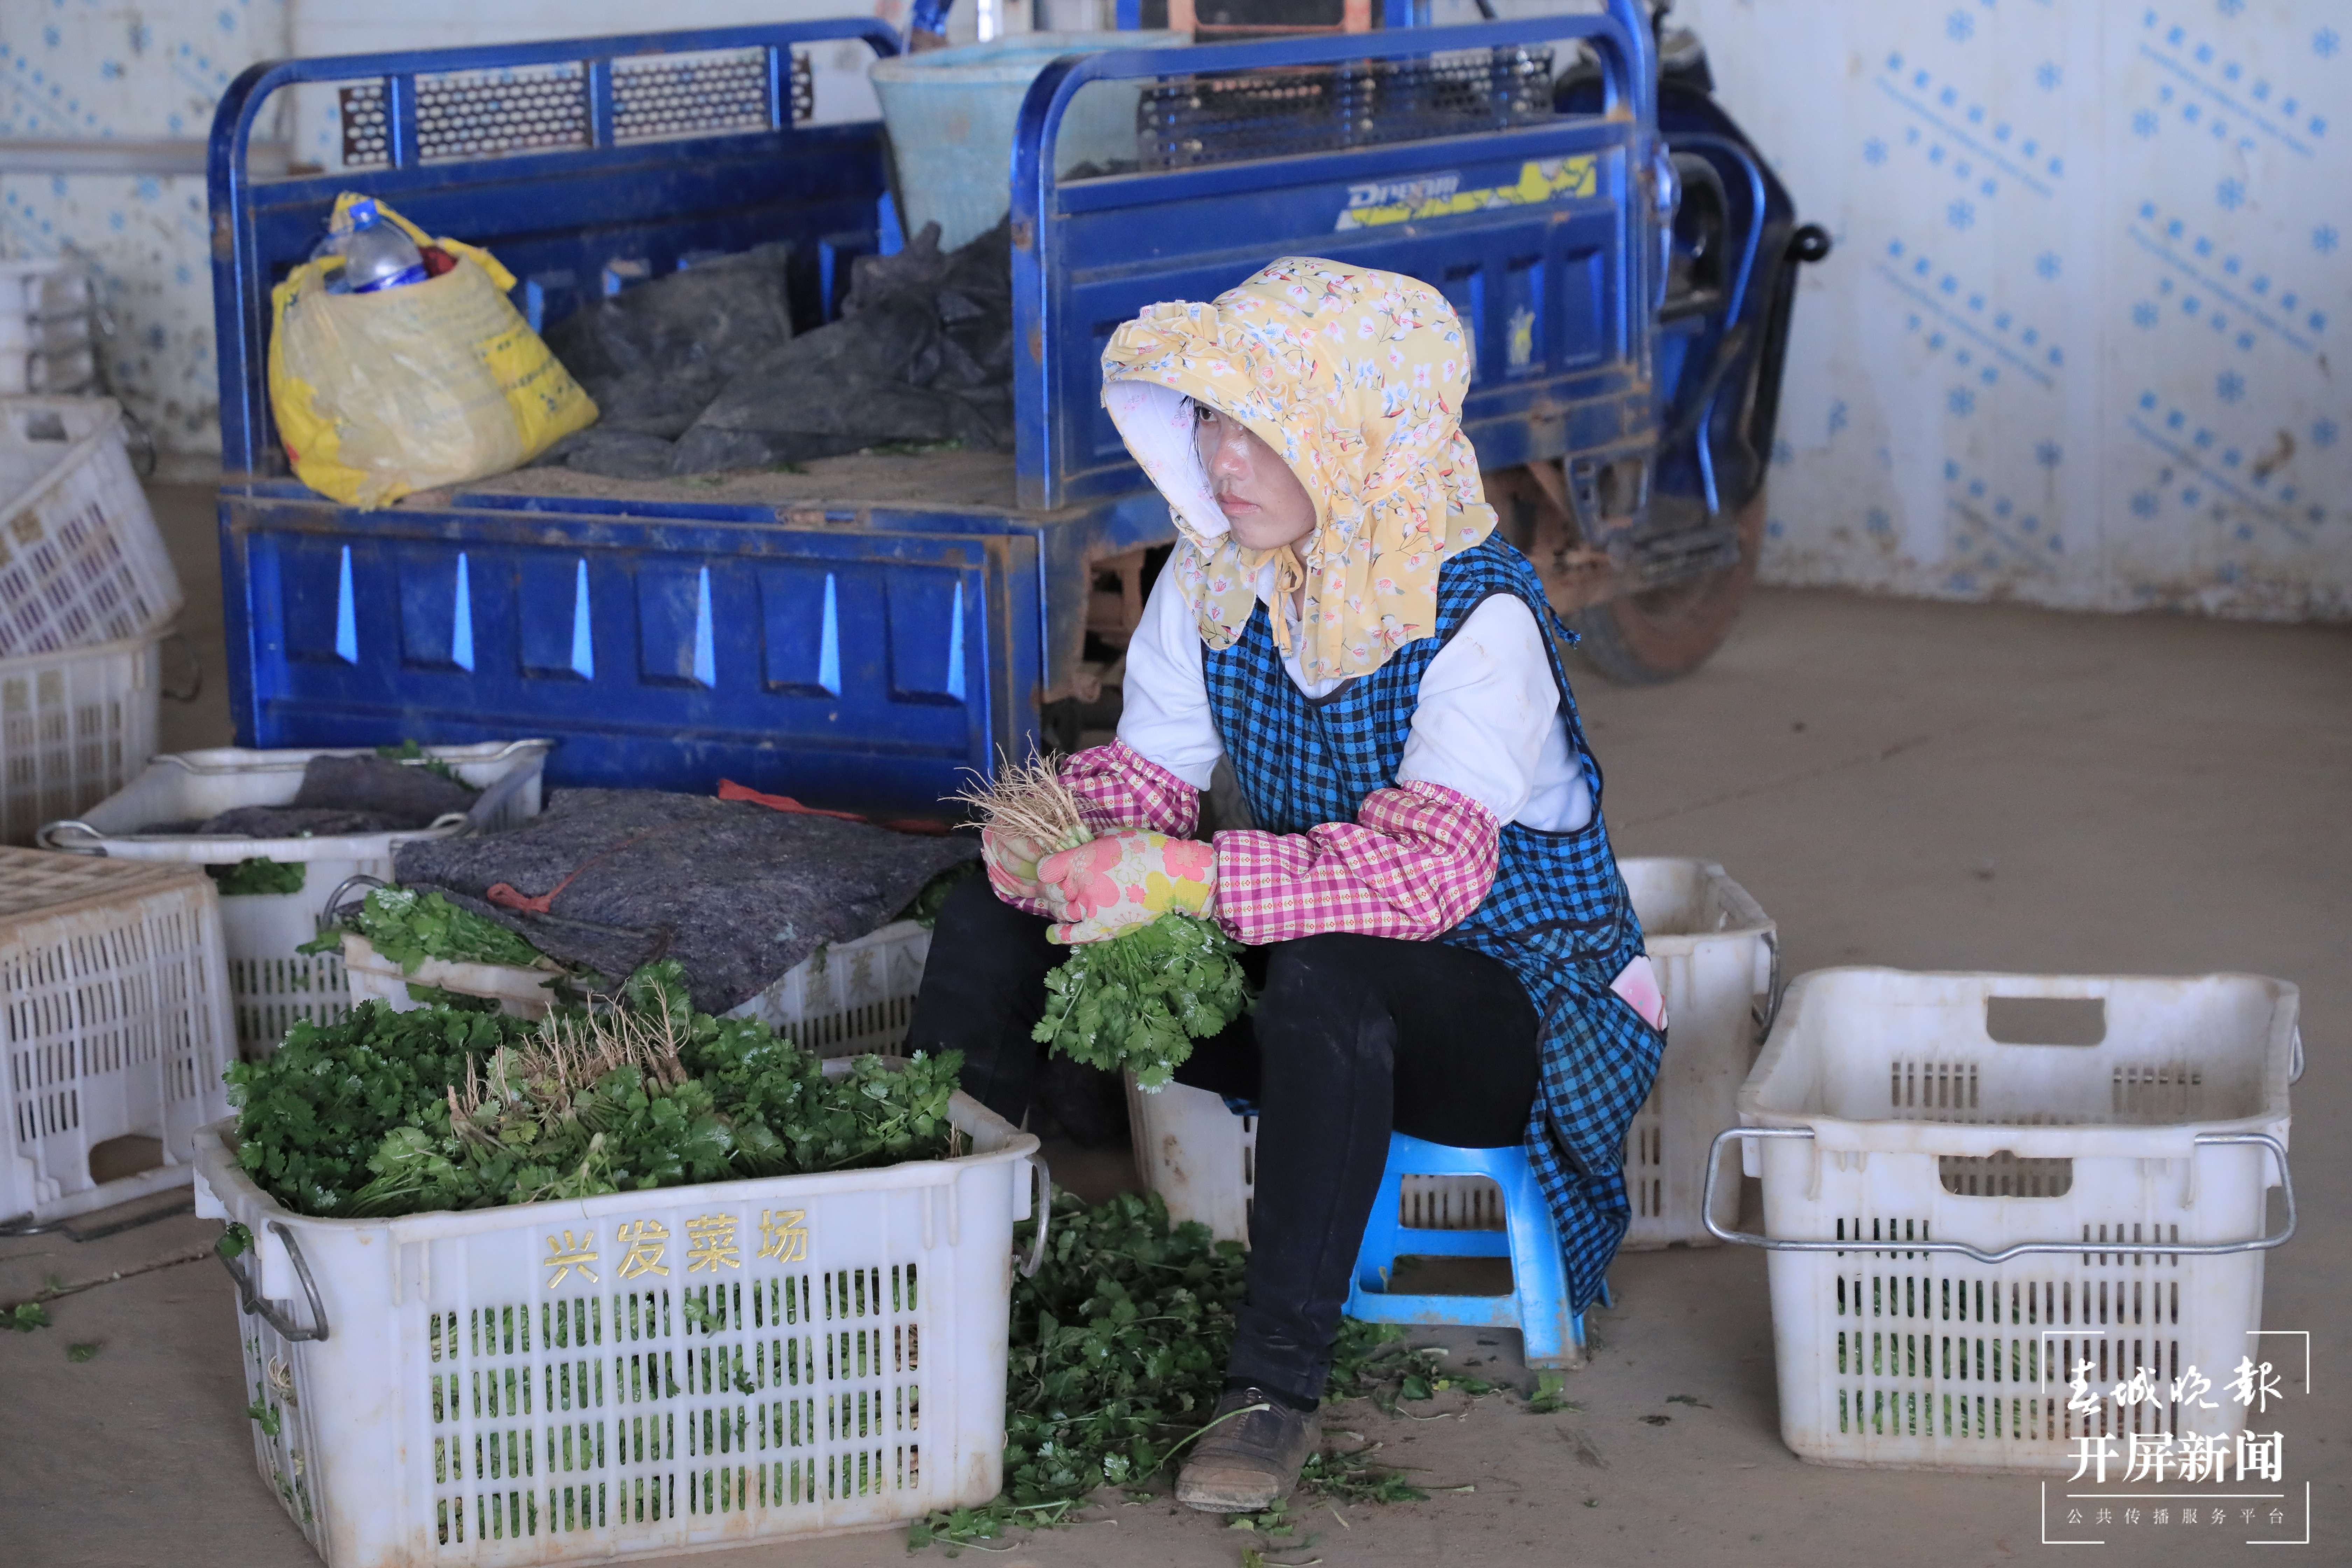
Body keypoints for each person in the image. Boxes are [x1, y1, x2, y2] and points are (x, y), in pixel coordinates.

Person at [904, 259, 1665, 1512]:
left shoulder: (1476, 617)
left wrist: (1184, 876)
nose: (1223, 459)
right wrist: (1062, 842)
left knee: (1328, 973)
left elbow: (1426, 881)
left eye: (1265, 426)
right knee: (994, 910)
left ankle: (1272, 1391)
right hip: (1322, 982)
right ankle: (936, 1286)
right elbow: (1151, 785)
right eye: (1210, 419)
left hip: (1513, 1014)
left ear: (1362, 438)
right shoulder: (1216, 586)